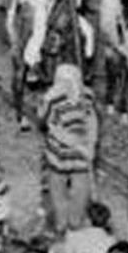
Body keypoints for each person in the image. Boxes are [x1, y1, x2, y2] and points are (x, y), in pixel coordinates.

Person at [41, 63, 100, 233]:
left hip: (62, 151)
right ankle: (69, 222)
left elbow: (45, 122)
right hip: (74, 151)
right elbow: (92, 120)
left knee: (63, 188)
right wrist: (87, 146)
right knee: (75, 188)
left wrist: (91, 143)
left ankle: (67, 222)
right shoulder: (86, 94)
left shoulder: (53, 98)